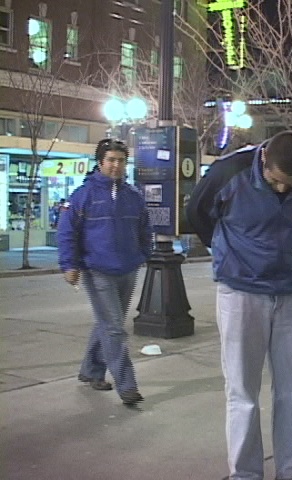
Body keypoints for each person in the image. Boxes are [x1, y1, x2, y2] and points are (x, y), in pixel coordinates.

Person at [186, 131, 292, 480]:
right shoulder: (229, 172)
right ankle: (244, 473)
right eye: (276, 181)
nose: (282, 190)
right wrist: (225, 251)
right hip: (240, 292)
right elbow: (196, 212)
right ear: (263, 161)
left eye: (291, 184)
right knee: (242, 391)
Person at [57, 138, 153, 406]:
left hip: (128, 269)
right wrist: (69, 265)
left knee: (107, 324)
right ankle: (127, 385)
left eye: (121, 160)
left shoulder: (133, 196)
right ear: (100, 162)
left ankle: (91, 370)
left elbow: (145, 229)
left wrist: (143, 253)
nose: (116, 165)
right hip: (98, 271)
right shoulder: (83, 195)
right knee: (113, 329)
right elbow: (67, 233)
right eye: (111, 160)